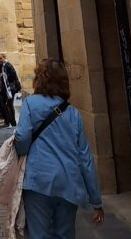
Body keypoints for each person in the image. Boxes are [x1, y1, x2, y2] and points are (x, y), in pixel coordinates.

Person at [14, 58, 104, 237]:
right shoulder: (72, 113)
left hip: (38, 179)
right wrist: (96, 200)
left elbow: (22, 138)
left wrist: (21, 151)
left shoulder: (30, 104)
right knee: (64, 234)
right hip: (68, 181)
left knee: (39, 234)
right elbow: (85, 158)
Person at [0, 52, 21, 128]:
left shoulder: (8, 65)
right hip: (8, 89)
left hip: (10, 89)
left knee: (7, 105)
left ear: (4, 58)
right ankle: (11, 122)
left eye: (0, 58)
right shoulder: (3, 66)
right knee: (8, 105)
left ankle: (9, 122)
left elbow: (13, 76)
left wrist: (5, 76)